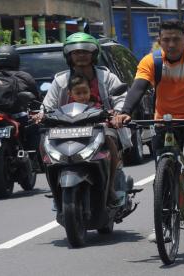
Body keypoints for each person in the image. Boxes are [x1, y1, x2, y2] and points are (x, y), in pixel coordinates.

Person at [113, 19, 184, 204]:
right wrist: (125, 111)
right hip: (164, 119)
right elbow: (138, 88)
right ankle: (165, 196)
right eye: (166, 40)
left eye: (176, 40)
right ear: (160, 41)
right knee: (162, 158)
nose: (171, 44)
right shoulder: (151, 62)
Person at [34, 32, 127, 207]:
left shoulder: (107, 77)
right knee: (42, 144)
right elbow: (48, 104)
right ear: (69, 56)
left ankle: (110, 188)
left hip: (99, 125)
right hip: (64, 128)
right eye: (76, 52)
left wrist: (119, 114)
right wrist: (41, 115)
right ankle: (55, 191)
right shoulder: (61, 80)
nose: (81, 55)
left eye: (86, 51)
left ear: (94, 54)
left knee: (110, 141)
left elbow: (121, 98)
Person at [0, 45, 40, 154]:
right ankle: (36, 160)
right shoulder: (24, 76)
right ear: (15, 59)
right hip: (18, 117)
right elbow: (36, 98)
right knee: (36, 128)